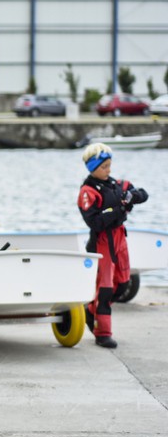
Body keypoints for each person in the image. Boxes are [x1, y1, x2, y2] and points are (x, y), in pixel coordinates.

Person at [78, 143, 148, 349]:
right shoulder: (88, 191)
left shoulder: (117, 184)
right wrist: (119, 208)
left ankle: (91, 311)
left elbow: (142, 194)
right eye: (104, 167)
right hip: (102, 242)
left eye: (110, 165)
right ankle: (102, 332)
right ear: (92, 168)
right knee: (106, 289)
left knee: (123, 283)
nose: (108, 170)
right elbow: (95, 221)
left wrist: (132, 197)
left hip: (120, 239)